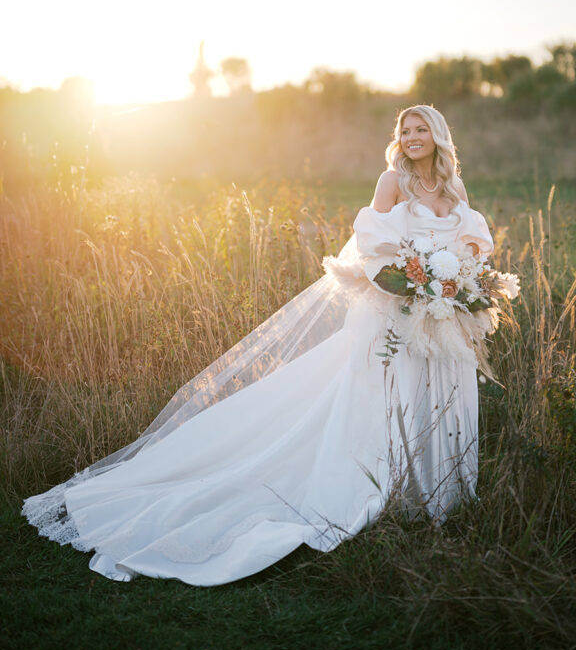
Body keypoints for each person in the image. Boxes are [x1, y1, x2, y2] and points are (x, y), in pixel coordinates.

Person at [22, 105, 516, 586]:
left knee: (434, 394)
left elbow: (471, 250)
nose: (411, 137)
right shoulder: (393, 182)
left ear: (438, 136)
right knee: (391, 397)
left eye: (421, 129)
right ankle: (382, 490)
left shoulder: (454, 188)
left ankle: (433, 495)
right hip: (399, 313)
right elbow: (371, 248)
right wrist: (416, 281)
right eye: (405, 129)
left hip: (443, 316)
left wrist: (458, 285)